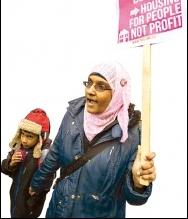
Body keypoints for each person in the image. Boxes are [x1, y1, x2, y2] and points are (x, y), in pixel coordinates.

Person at [29, 61, 156, 218]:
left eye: (101, 86)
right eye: (89, 83)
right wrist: (37, 183)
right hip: (59, 210)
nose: (90, 91)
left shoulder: (132, 134)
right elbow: (55, 154)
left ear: (117, 92)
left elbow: (135, 199)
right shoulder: (73, 115)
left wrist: (137, 183)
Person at [1, 108, 54, 218]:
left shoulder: (45, 154)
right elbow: (4, 168)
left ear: (41, 137)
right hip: (15, 198)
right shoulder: (19, 149)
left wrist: (34, 198)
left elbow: (48, 180)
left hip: (32, 203)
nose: (24, 140)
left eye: (30, 136)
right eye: (22, 134)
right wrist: (11, 163)